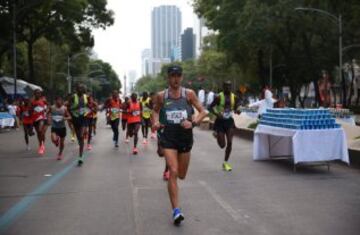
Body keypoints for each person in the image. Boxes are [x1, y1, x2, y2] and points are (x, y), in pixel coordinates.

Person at [152, 65, 208, 225]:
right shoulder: (162, 96)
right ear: (168, 78)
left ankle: (176, 203)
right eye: (172, 76)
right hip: (168, 138)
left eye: (178, 75)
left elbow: (203, 111)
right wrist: (155, 122)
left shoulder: (189, 94)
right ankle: (176, 210)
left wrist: (194, 122)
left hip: (185, 138)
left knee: (182, 174)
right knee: (173, 171)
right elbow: (155, 111)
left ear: (181, 77)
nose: (175, 79)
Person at [210, 81, 241, 172]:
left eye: (229, 86)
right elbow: (210, 107)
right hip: (220, 122)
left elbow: (236, 108)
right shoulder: (218, 97)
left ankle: (225, 163)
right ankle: (217, 136)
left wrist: (238, 110)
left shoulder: (234, 97)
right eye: (226, 86)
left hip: (229, 122)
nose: (228, 88)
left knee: (230, 142)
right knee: (222, 145)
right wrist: (216, 113)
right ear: (223, 87)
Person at [68, 83, 90, 166]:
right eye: (79, 88)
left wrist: (90, 109)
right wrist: (73, 110)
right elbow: (68, 107)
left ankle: (80, 157)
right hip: (75, 119)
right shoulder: (73, 97)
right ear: (76, 89)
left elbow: (88, 105)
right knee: (79, 138)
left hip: (83, 118)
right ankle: (81, 151)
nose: (81, 89)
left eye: (82, 88)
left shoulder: (86, 97)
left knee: (81, 136)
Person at [31, 89, 49, 155]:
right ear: (34, 94)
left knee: (40, 130)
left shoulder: (43, 100)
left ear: (40, 94)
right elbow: (30, 109)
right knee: (39, 133)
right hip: (35, 118)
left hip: (42, 117)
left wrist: (46, 110)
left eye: (39, 93)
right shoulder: (32, 101)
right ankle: (41, 145)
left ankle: (42, 146)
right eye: (36, 93)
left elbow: (48, 106)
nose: (38, 94)